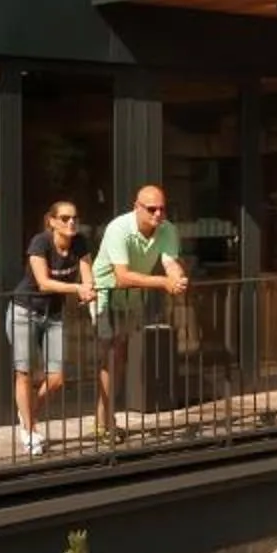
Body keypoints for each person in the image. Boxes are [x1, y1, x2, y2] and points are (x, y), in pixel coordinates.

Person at [92, 183, 187, 440]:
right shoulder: (118, 229)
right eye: (151, 209)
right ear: (136, 207)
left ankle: (105, 417)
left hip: (133, 297)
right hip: (106, 294)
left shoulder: (167, 229)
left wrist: (177, 278)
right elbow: (121, 277)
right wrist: (164, 283)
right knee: (110, 355)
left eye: (162, 209)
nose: (157, 214)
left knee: (119, 356)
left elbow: (169, 262)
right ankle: (104, 421)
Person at [8, 200, 92, 454]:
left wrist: (89, 291)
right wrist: (77, 288)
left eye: (74, 218)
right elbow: (43, 282)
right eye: (65, 218)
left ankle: (28, 416)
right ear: (52, 221)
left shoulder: (80, 243)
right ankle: (29, 430)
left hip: (53, 313)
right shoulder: (41, 242)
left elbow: (88, 277)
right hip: (25, 309)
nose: (71, 223)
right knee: (23, 372)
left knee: (56, 378)